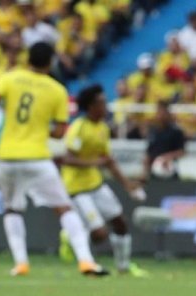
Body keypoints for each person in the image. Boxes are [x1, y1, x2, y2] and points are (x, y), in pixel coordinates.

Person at [0, 41, 108, 277]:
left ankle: (21, 263)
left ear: (28, 58)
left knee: (13, 209)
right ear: (51, 62)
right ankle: (86, 261)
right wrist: (42, 127)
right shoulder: (57, 90)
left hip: (7, 156)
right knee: (64, 208)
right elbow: (60, 132)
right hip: (37, 157)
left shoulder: (9, 78)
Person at [60, 84, 148, 277]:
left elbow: (109, 161)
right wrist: (96, 162)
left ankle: (124, 267)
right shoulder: (78, 128)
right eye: (101, 104)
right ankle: (69, 237)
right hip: (77, 188)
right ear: (90, 107)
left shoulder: (102, 128)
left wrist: (128, 185)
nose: (105, 107)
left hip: (96, 184)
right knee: (100, 235)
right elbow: (66, 158)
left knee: (120, 223)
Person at [143, 101, 186, 181]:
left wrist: (167, 157)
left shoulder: (176, 131)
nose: (160, 115)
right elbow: (149, 152)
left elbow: (182, 151)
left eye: (163, 112)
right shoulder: (153, 131)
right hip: (154, 172)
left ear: (168, 113)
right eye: (158, 112)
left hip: (170, 170)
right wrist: (144, 172)